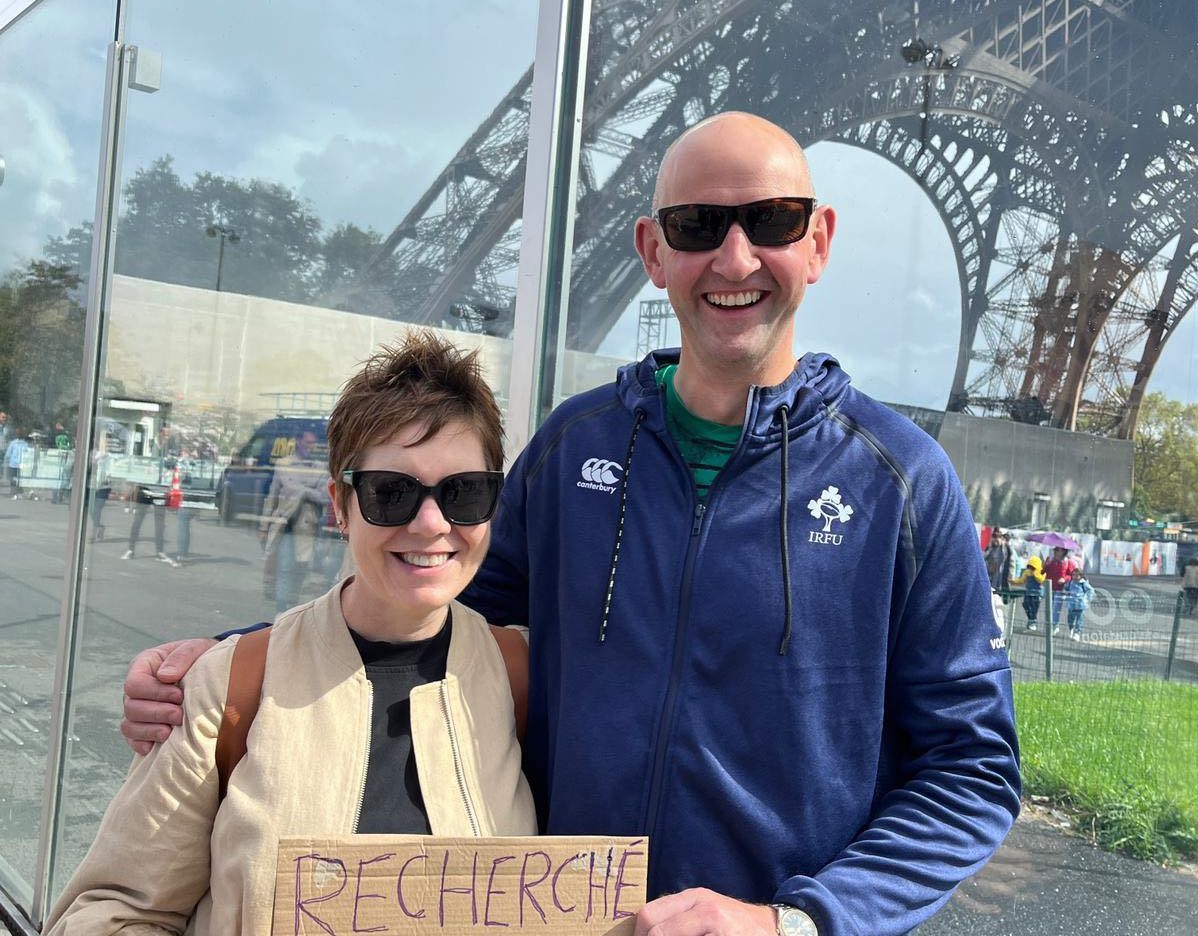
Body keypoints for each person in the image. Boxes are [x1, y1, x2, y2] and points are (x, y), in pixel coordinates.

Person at [119, 112, 1019, 936]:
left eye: (774, 220)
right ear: (652, 251)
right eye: (699, 226)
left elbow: (972, 771)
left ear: (818, 242)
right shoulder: (575, 447)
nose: (736, 257)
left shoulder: (902, 484)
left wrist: (795, 923)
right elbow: (423, 597)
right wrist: (229, 659)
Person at [45, 332, 535, 935]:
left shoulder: (520, 676)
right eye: (391, 493)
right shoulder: (229, 687)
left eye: (464, 493)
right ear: (340, 504)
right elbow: (112, 911)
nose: (432, 524)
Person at [260, 428, 327, 613]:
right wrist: (264, 526)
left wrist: (302, 491)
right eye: (307, 443)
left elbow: (325, 497)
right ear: (298, 441)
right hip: (284, 525)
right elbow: (272, 498)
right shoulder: (284, 464)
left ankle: (292, 607)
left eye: (313, 444)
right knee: (285, 566)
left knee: (300, 569)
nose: (310, 448)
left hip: (306, 528)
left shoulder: (319, 468)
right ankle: (282, 608)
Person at [1042, 545, 1076, 634]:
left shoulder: (1068, 562)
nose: (1055, 552)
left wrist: (1064, 579)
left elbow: (1073, 575)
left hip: (1060, 590)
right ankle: (1049, 625)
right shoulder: (1051, 561)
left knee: (1055, 608)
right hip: (1049, 589)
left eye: (1058, 550)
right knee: (1048, 608)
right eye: (1055, 550)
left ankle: (1054, 625)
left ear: (1063, 552)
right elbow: (1043, 572)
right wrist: (1046, 564)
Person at [1012, 555, 1047, 630]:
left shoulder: (1041, 572)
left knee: (1034, 608)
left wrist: (1035, 573)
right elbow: (1021, 580)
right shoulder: (1027, 572)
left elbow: (1041, 580)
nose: (1031, 568)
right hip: (1028, 592)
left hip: (1037, 594)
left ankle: (1032, 622)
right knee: (1026, 605)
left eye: (1033, 567)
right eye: (1030, 566)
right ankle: (1031, 619)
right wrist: (1013, 582)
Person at [1063, 567, 1095, 641]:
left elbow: (1091, 590)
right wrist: (1065, 593)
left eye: (1077, 575)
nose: (1075, 577)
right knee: (1070, 618)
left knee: (1079, 620)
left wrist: (1088, 598)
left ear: (1081, 575)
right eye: (1073, 575)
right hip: (1071, 604)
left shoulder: (1083, 583)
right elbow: (1065, 588)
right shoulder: (1071, 582)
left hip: (1080, 605)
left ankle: (1077, 633)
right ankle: (1071, 629)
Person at [983, 528, 1013, 593]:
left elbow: (1006, 562)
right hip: (989, 576)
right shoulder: (990, 547)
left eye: (998, 536)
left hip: (1000, 578)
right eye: (994, 536)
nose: (996, 538)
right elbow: (983, 558)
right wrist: (990, 548)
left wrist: (1009, 578)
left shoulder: (1005, 548)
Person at [6, 428, 29, 498]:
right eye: (18, 433)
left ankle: (18, 492)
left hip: (19, 465)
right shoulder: (14, 443)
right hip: (14, 464)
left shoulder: (24, 444)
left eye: (20, 433)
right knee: (14, 478)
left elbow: (27, 454)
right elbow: (8, 454)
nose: (18, 434)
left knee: (19, 479)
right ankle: (14, 492)